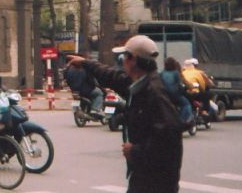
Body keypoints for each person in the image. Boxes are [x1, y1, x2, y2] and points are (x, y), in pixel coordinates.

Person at [68, 37, 183, 193]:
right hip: (143, 174)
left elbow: (169, 138)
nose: (122, 62)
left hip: (156, 182)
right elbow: (110, 75)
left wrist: (135, 151)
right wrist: (85, 63)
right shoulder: (137, 85)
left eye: (123, 57)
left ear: (132, 60)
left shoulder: (155, 93)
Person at [161, 57, 194, 126]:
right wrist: (182, 90)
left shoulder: (162, 73)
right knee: (186, 104)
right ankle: (181, 121)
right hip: (175, 96)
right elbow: (180, 85)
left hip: (165, 96)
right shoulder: (176, 73)